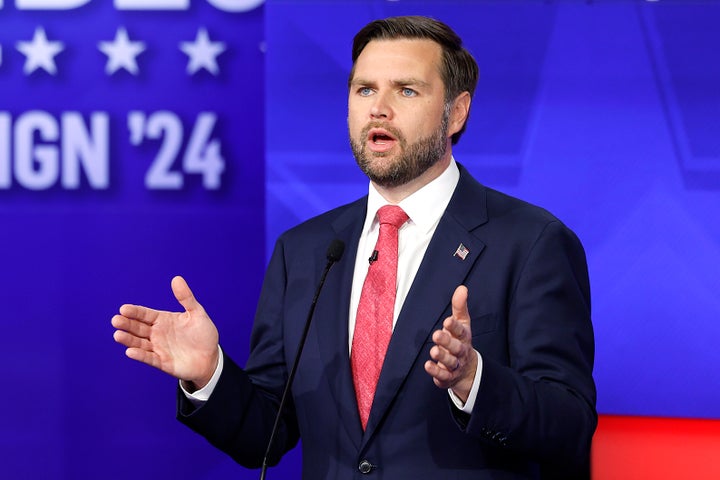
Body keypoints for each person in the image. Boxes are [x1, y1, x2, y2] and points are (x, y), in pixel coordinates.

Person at [112, 15, 596, 479]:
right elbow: (266, 435)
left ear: (458, 112)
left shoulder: (531, 243)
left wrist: (475, 381)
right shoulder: (304, 250)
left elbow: (570, 426)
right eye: (365, 89)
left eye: (406, 90)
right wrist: (211, 375)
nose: (378, 108)